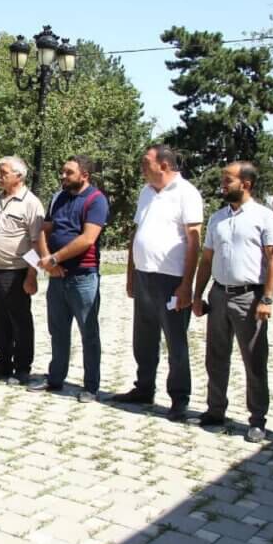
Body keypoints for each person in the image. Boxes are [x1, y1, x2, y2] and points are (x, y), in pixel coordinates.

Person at [191, 162, 273, 442]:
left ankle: (257, 420)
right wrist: (197, 295)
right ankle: (215, 410)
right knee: (216, 357)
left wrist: (267, 298)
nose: (223, 184)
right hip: (219, 294)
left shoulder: (264, 217)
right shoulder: (217, 218)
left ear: (246, 184)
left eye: (227, 180)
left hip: (249, 297)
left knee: (254, 360)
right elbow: (207, 259)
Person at [112, 144, 203, 421]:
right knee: (143, 337)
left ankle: (179, 398)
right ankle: (144, 388)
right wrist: (131, 274)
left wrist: (186, 285)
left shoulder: (186, 193)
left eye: (146, 162)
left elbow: (194, 241)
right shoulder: (146, 192)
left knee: (175, 342)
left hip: (171, 279)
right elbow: (137, 234)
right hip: (144, 275)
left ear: (163, 165)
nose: (141, 166)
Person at [28, 155, 110, 402]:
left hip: (83, 277)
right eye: (62, 171)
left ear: (84, 175)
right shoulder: (58, 197)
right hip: (57, 277)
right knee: (58, 330)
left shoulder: (96, 200)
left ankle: (91, 386)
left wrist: (54, 259)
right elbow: (45, 230)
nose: (63, 176)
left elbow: (87, 239)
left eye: (69, 172)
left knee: (88, 332)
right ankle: (56, 378)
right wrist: (48, 261)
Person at [0, 156, 44, 385]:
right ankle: (3, 362)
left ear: (19, 176)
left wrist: (32, 275)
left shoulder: (31, 203)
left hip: (17, 271)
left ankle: (22, 367)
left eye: (3, 173)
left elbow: (36, 242)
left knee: (20, 321)